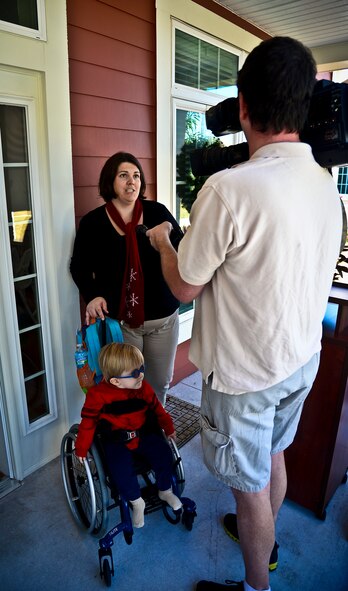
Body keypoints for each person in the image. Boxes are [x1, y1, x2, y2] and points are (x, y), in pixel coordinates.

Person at [146, 37, 343, 591]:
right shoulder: (327, 186)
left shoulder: (228, 189)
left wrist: (164, 242)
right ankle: (267, 540)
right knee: (273, 456)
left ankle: (257, 584)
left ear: (244, 107)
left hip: (245, 377)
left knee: (249, 486)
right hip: (301, 359)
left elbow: (184, 285)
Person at [70, 151, 184, 406]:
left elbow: (183, 252)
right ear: (111, 181)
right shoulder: (93, 223)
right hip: (122, 323)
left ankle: (156, 429)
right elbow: (78, 266)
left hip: (163, 320)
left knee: (159, 383)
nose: (131, 181)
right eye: (124, 175)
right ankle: (132, 432)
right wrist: (92, 295)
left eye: (136, 176)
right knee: (127, 386)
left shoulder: (158, 213)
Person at [74, 342, 182, 529]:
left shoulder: (143, 388)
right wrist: (81, 447)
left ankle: (165, 489)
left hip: (143, 433)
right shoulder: (98, 396)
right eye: (134, 373)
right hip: (116, 439)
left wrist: (168, 427)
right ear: (115, 381)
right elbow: (88, 423)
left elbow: (158, 410)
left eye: (141, 368)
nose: (140, 374)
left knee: (164, 452)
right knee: (119, 468)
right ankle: (136, 500)